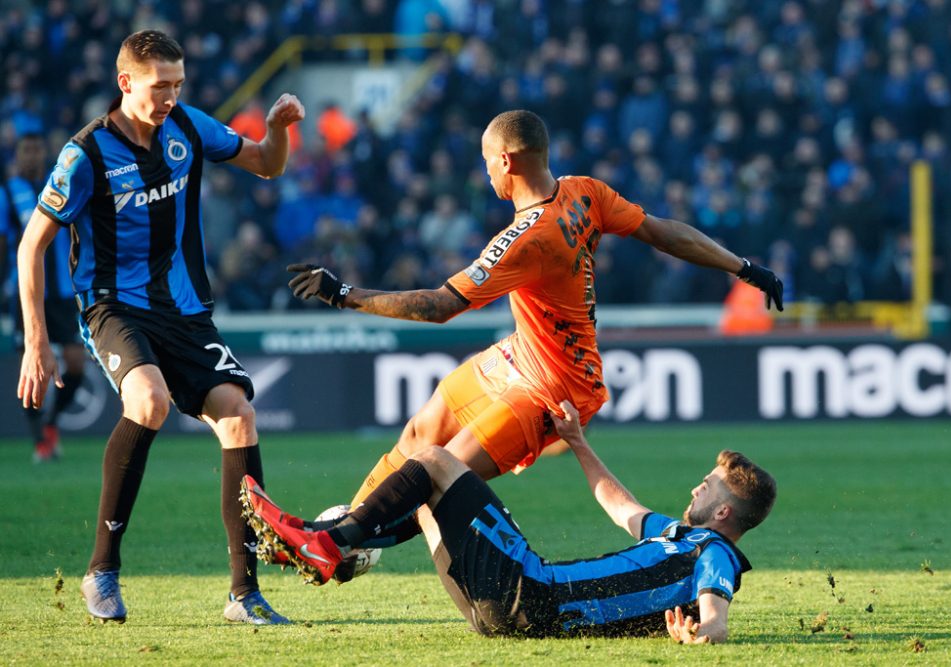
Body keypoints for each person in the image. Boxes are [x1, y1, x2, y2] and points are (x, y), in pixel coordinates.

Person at [285, 109, 783, 574]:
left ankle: (341, 544)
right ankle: (342, 531)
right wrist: (744, 267)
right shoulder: (584, 192)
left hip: (556, 388)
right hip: (520, 355)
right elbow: (663, 232)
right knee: (420, 433)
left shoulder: (527, 239)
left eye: (486, 163)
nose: (486, 175)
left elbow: (441, 305)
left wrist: (345, 294)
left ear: (506, 160)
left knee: (438, 473)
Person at [16, 30, 304, 625]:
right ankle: (102, 571)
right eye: (158, 85)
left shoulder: (189, 127)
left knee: (239, 415)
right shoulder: (86, 155)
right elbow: (31, 246)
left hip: (183, 310)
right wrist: (36, 339)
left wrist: (277, 130)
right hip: (112, 307)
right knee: (147, 401)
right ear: (125, 83)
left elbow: (267, 166)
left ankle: (243, 594)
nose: (170, 95)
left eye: (178, 83)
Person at [241, 401, 777, 641]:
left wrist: (703, 634)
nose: (695, 487)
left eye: (707, 487)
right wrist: (579, 443)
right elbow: (623, 506)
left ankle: (327, 544)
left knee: (433, 460)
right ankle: (336, 551)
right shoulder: (681, 537)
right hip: (503, 614)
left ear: (725, 511)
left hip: (531, 591)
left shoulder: (715, 554)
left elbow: (717, 617)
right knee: (427, 497)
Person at [1, 127, 87, 462]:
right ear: (17, 155)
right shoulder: (8, 193)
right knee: (33, 369)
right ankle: (41, 441)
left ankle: (50, 424)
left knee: (77, 365)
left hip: (65, 295)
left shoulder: (61, 185)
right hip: (27, 294)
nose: (32, 155)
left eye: (37, 149)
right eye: (27, 150)